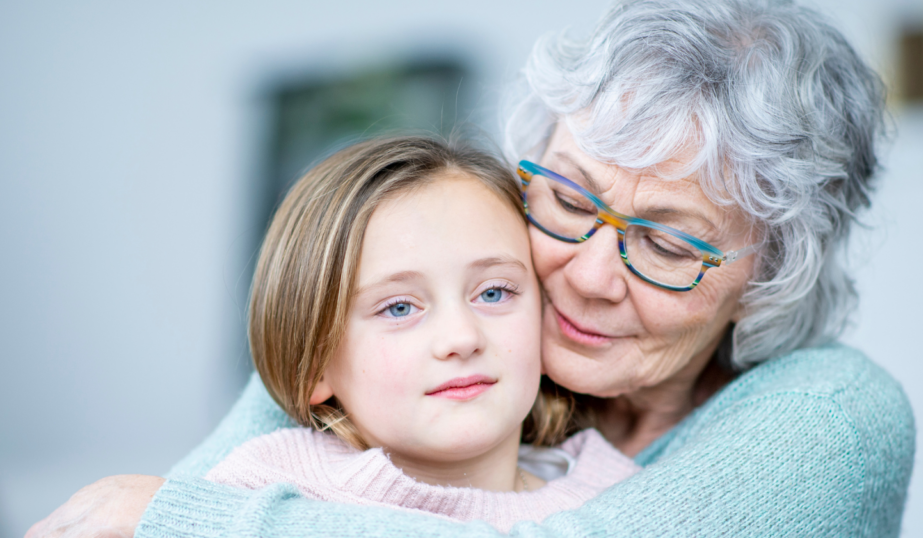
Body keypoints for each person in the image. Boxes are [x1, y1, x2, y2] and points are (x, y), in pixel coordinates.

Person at [27, 0, 915, 536]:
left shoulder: (834, 416)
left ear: (774, 275)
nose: (590, 274)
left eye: (667, 246)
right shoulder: (420, 322)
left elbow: (177, 517)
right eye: (568, 199)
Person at [201, 135, 638, 532]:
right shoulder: (264, 489)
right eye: (399, 307)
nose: (462, 338)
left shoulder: (617, 499)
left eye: (493, 293)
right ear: (315, 364)